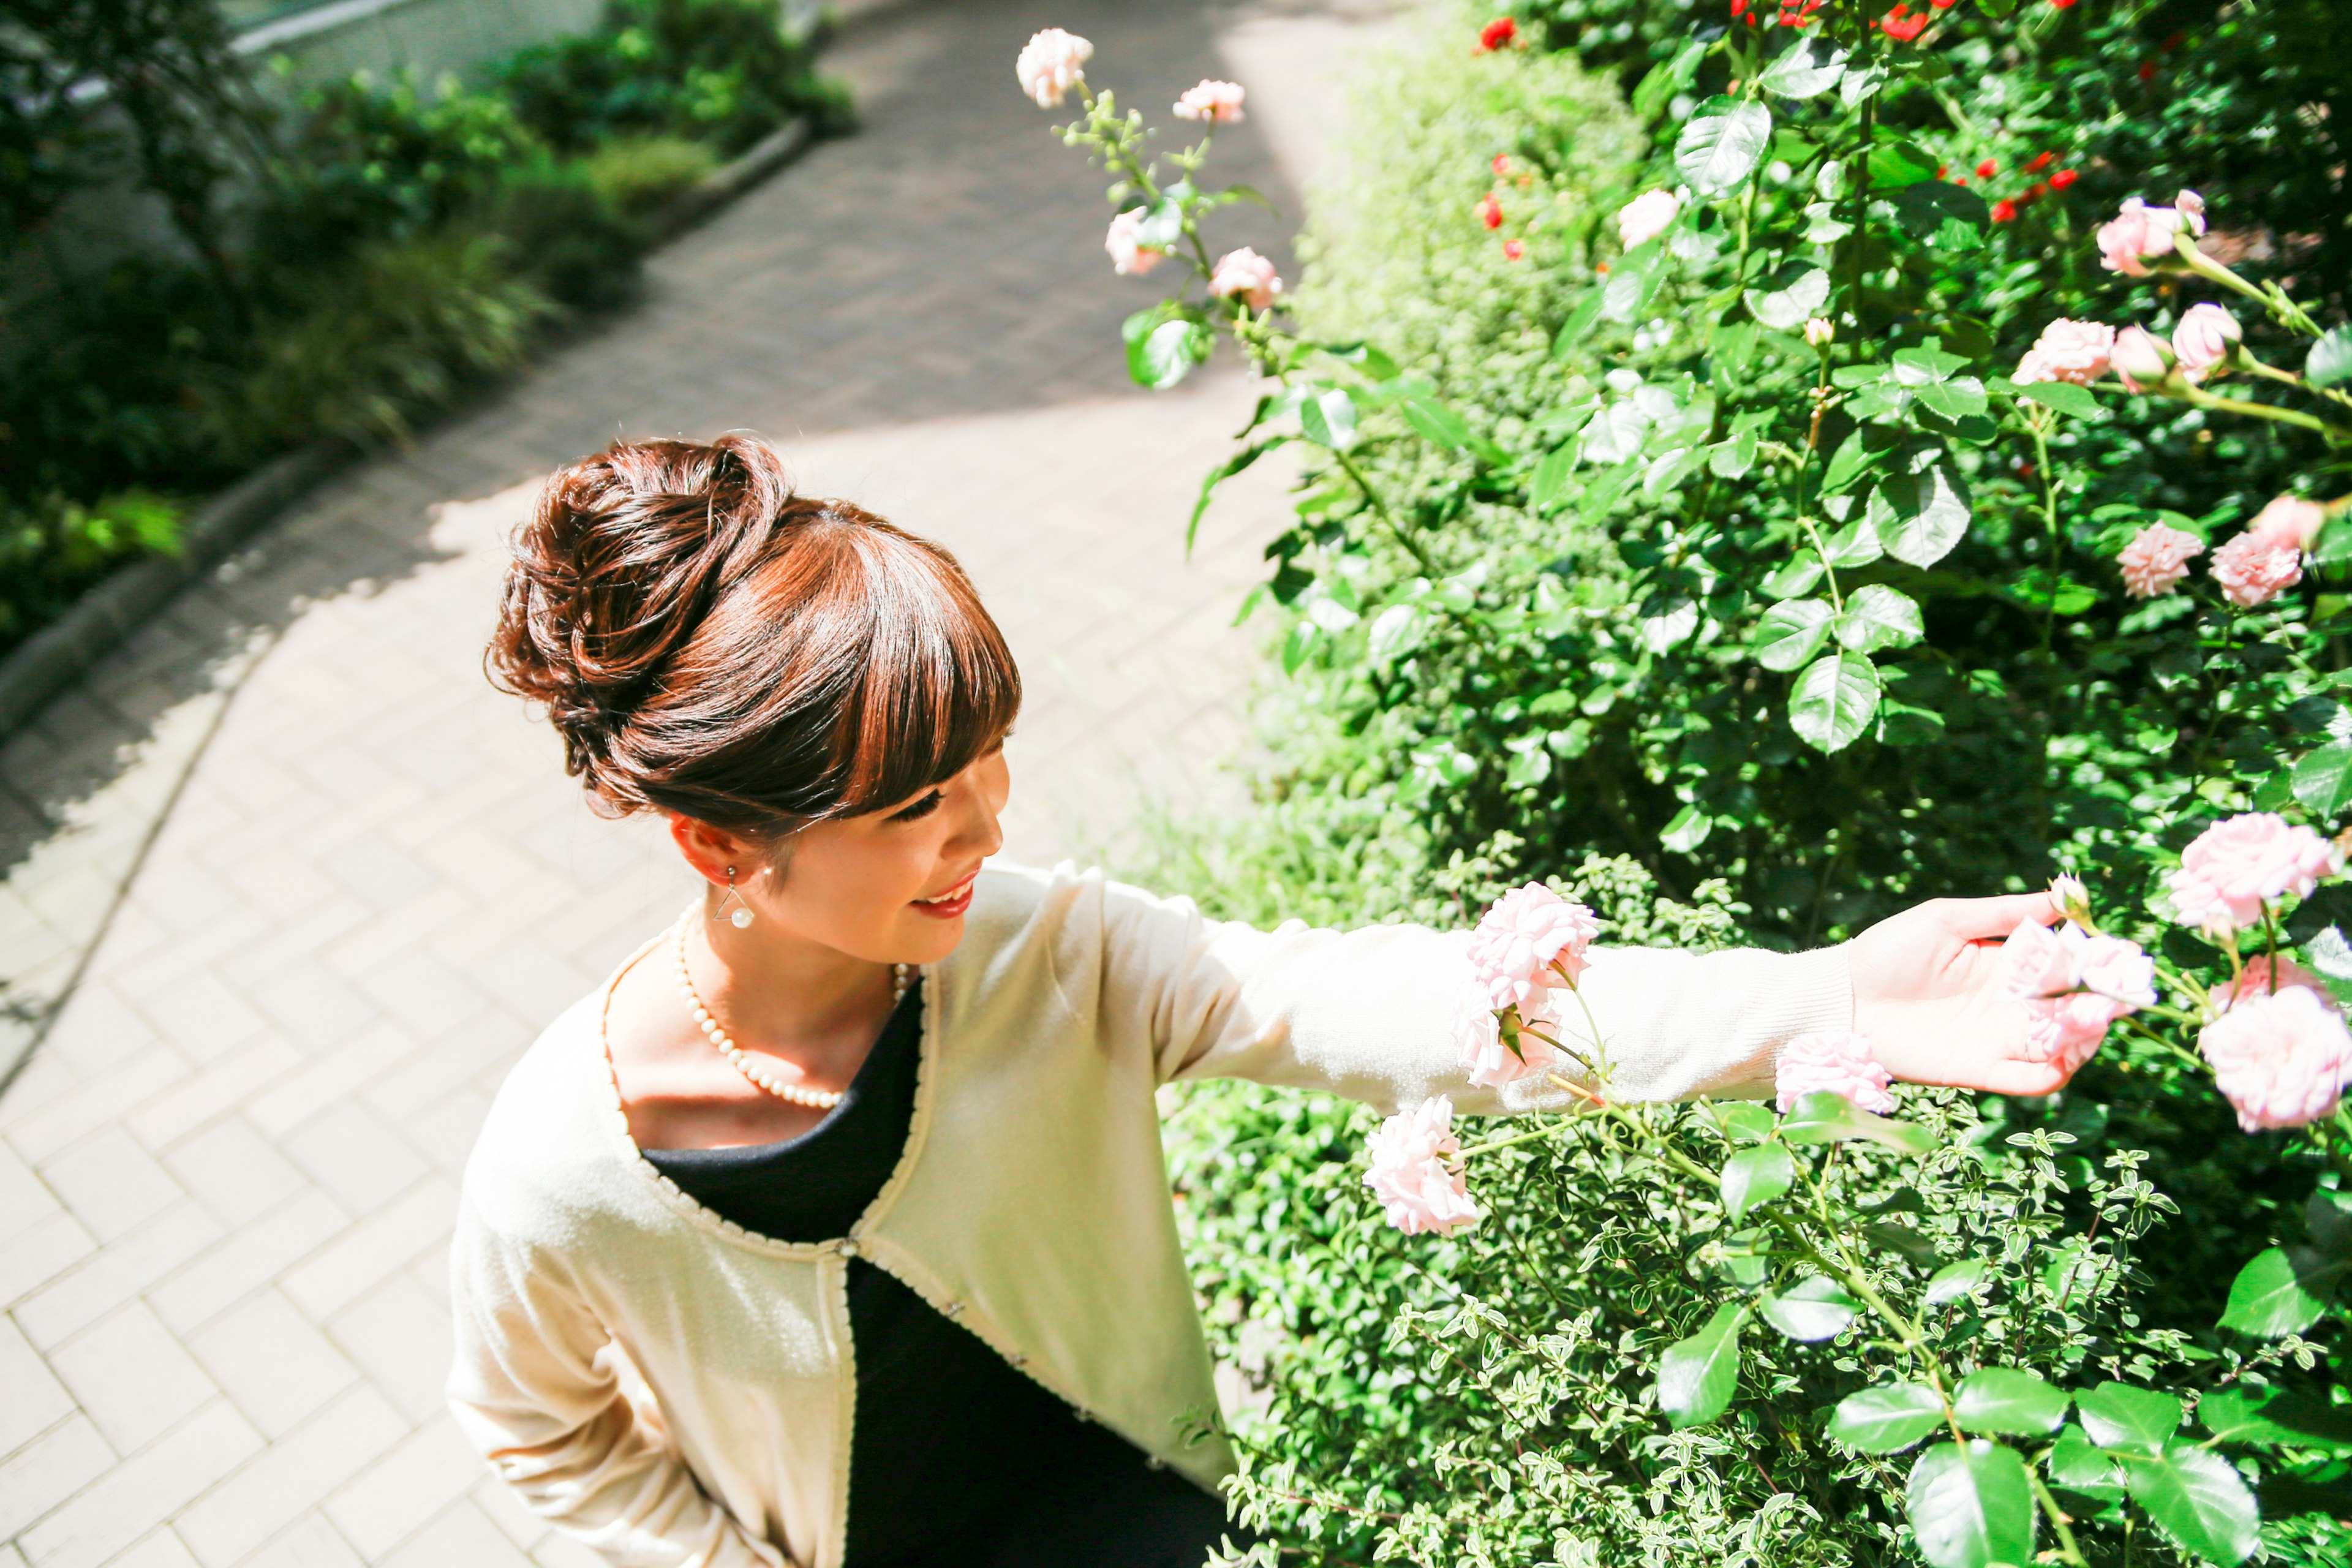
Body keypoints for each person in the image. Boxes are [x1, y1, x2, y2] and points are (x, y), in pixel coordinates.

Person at [447, 434, 2081, 1568]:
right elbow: (540, 1432)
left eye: (986, 758)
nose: (990, 823)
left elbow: (1394, 1003)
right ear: (719, 841)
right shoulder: (561, 1166)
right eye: (914, 805)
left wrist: (1826, 997)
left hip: (1143, 1509)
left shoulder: (1042, 949)